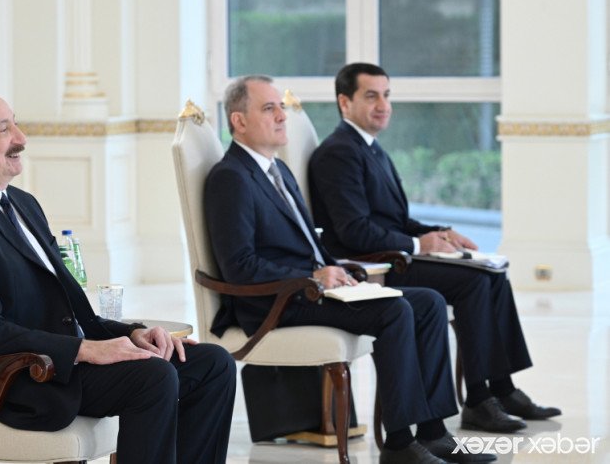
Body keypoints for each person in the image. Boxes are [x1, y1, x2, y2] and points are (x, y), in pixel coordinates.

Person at [0, 89, 236, 464]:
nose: (21, 138)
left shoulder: (21, 203)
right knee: (153, 377)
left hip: (61, 363)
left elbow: (71, 312)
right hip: (18, 378)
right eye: (4, 130)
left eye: (16, 124)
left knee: (213, 364)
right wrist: (89, 350)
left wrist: (132, 333)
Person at [205, 76, 494, 464]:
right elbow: (239, 265)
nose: (281, 116)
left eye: (281, 108)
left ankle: (433, 431)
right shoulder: (231, 178)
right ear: (238, 121)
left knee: (427, 302)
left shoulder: (278, 170)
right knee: (394, 311)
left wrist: (339, 268)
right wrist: (312, 278)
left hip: (311, 289)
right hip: (277, 301)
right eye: (268, 108)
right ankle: (399, 443)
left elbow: (310, 245)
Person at [308, 62, 561, 434]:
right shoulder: (338, 153)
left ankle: (502, 389)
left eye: (387, 95)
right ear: (345, 103)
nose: (383, 105)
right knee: (473, 282)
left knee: (492, 273)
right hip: (373, 265)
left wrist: (439, 232)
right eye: (372, 96)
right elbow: (354, 230)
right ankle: (478, 400)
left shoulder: (370, 149)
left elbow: (396, 219)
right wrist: (417, 243)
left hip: (394, 254)